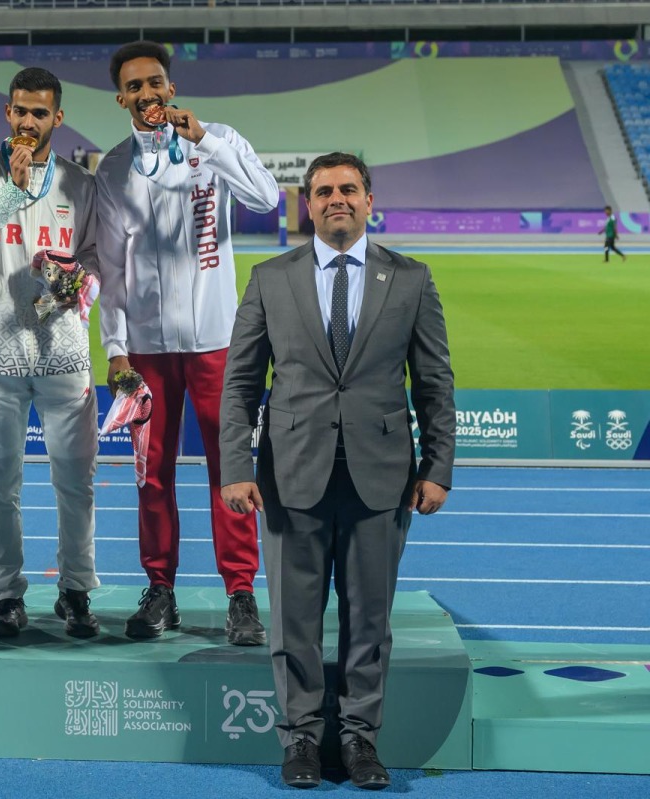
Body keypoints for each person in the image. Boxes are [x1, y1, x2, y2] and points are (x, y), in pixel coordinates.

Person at [220, 152, 455, 790]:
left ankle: (358, 742)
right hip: (290, 475)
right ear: (308, 204)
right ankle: (300, 741)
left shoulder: (410, 279)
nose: (336, 200)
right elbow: (240, 382)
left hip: (382, 478)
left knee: (369, 620)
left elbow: (434, 382)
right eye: (323, 191)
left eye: (348, 189)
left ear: (369, 200)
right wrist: (236, 467)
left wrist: (439, 468)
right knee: (294, 619)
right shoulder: (271, 277)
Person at [94, 40, 279, 645]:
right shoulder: (114, 167)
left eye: (156, 83)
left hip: (216, 346)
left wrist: (204, 140)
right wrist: (116, 349)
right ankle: (161, 590)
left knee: (232, 469)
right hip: (145, 351)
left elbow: (266, 198)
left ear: (170, 87)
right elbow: (111, 267)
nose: (147, 94)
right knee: (151, 476)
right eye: (135, 87)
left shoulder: (215, 140)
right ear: (121, 97)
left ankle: (241, 593)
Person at [0, 67, 101, 638]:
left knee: (76, 481)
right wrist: (9, 188)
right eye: (20, 111)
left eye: (40, 113)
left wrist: (76, 280)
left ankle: (76, 589)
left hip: (64, 355)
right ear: (7, 114)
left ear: (57, 117)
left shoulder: (81, 186)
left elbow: (95, 258)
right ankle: (6, 593)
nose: (28, 122)